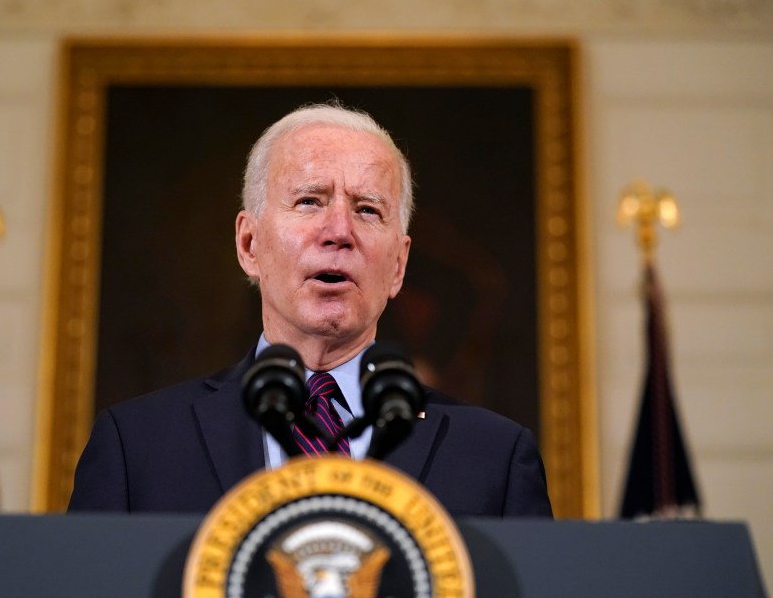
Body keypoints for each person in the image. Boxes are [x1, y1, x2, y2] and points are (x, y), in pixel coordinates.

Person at [68, 103, 552, 517]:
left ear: (398, 265)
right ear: (249, 244)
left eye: (367, 209)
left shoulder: (496, 458)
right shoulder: (136, 446)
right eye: (308, 201)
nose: (339, 231)